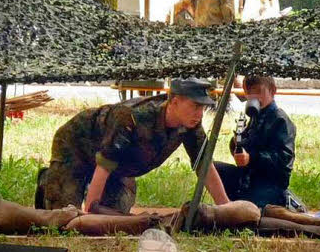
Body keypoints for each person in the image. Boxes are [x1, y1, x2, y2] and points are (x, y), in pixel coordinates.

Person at [36, 78, 231, 213]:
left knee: (114, 214)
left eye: (203, 108)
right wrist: (89, 213)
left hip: (119, 169)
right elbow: (104, 165)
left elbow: (204, 167)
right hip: (77, 146)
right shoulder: (132, 117)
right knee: (65, 215)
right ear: (174, 102)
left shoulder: (190, 126)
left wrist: (226, 209)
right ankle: (49, 181)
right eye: (195, 106)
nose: (200, 113)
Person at [212, 75, 295, 208]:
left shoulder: (281, 120)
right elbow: (245, 148)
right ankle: (228, 204)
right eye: (249, 93)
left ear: (273, 90)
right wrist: (237, 144)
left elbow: (283, 161)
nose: (253, 97)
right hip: (247, 178)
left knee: (249, 213)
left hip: (269, 184)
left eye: (258, 92)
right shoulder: (255, 116)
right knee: (211, 168)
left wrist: (251, 158)